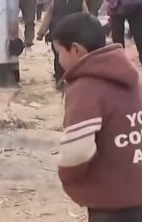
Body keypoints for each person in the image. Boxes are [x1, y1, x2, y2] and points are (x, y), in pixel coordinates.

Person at [52, 13, 142, 222]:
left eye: (59, 52)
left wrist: (69, 177)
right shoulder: (131, 75)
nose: (59, 59)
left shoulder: (86, 87)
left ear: (76, 49)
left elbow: (77, 151)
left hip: (110, 200)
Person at [37, 0, 88, 91]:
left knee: (75, 58)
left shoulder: (79, 0)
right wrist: (41, 33)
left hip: (75, 35)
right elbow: (48, 16)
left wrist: (88, 31)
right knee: (58, 57)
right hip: (57, 34)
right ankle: (59, 79)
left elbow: (86, 17)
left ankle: (73, 80)